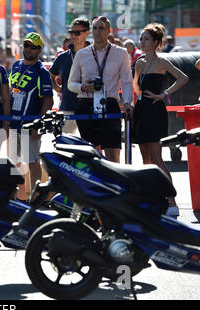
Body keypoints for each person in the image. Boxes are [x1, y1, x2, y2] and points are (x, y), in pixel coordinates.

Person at [132, 23, 188, 218]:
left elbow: (183, 78)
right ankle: (152, 199)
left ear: (156, 42)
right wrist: (133, 104)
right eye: (141, 38)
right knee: (145, 159)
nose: (142, 42)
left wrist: (163, 94)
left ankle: (172, 201)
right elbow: (135, 86)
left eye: (146, 39)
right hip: (140, 110)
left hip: (155, 110)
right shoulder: (139, 62)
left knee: (156, 158)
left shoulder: (162, 61)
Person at [68, 16, 133, 163]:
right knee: (91, 156)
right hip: (85, 104)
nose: (98, 31)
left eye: (102, 28)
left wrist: (128, 102)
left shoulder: (120, 53)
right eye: (95, 28)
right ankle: (95, 185)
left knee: (113, 156)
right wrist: (84, 87)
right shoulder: (82, 54)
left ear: (109, 30)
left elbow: (127, 82)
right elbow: (71, 84)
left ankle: (113, 186)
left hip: (109, 104)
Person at [8, 32, 53, 202]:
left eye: (33, 47)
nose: (28, 49)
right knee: (13, 162)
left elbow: (48, 100)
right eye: (26, 45)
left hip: (30, 125)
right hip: (14, 123)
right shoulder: (17, 65)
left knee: (32, 161)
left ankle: (34, 196)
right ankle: (17, 196)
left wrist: (39, 125)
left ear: (39, 50)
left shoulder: (42, 72)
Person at [50, 17, 90, 135]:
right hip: (67, 107)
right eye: (71, 32)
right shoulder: (63, 56)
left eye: (77, 32)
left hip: (88, 107)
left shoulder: (94, 54)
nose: (73, 35)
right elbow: (50, 75)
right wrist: (59, 89)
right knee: (64, 146)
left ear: (87, 33)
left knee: (91, 147)